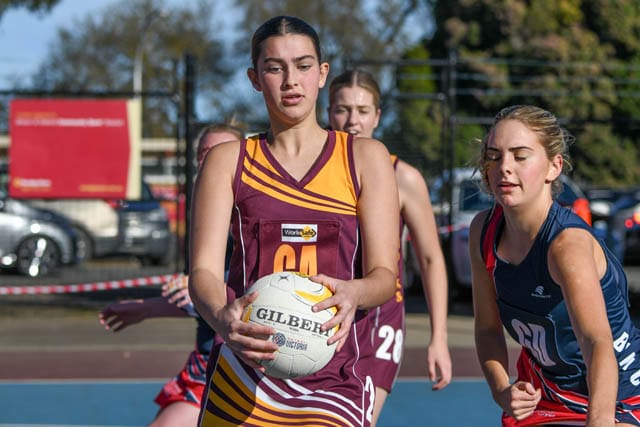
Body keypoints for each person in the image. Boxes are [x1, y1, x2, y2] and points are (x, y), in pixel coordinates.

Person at [188, 15, 400, 427]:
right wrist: (222, 317)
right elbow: (203, 272)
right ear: (254, 78)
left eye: (303, 66)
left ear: (322, 74)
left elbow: (383, 276)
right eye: (274, 68)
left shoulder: (364, 158)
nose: (290, 81)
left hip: (334, 382)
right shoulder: (227, 162)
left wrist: (354, 292)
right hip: (241, 381)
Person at [469, 104, 640, 426]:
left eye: (520, 156)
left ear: (554, 167)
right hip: (549, 392)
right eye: (494, 156)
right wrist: (501, 389)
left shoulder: (566, 245)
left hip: (621, 393)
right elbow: (487, 328)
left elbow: (596, 342)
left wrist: (600, 420)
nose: (504, 167)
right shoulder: (483, 231)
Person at [99, 121, 245, 427]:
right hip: (209, 363)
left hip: (249, 364)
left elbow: (250, 289)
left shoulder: (255, 218)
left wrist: (210, 286)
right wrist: (146, 308)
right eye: (204, 152)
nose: (211, 159)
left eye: (221, 151)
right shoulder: (202, 219)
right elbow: (200, 301)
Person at [327, 68, 452, 426]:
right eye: (343, 109)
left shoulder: (403, 177)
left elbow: (430, 258)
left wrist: (439, 338)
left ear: (377, 116)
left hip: (380, 320)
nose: (353, 120)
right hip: (327, 311)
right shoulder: (314, 172)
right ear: (329, 112)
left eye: (363, 110)